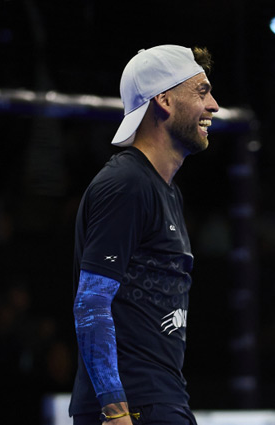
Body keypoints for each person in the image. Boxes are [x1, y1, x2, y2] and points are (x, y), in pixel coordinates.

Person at [69, 45, 219, 425]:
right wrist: (116, 411)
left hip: (160, 400)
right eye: (201, 92)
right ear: (165, 101)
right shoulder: (126, 184)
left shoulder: (164, 189)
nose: (214, 105)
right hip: (134, 407)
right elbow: (91, 305)